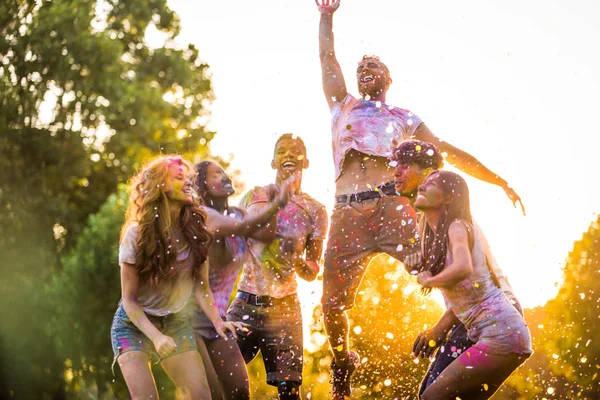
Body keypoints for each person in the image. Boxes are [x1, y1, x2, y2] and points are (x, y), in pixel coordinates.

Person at [315, 1, 525, 397]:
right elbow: (327, 59)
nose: (365, 69)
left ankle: (472, 327)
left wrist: (497, 180)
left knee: (446, 264)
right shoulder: (343, 105)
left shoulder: (404, 116)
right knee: (331, 305)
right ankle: (342, 361)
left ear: (389, 77)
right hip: (348, 212)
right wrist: (326, 15)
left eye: (373, 65)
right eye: (361, 66)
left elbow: (445, 149)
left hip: (395, 206)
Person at [392, 140, 525, 397]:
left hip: (493, 315)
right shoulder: (429, 222)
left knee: (431, 393)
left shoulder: (453, 221)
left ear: (429, 173)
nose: (396, 171)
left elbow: (471, 286)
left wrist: (438, 330)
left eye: (405, 166)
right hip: (476, 317)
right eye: (396, 164)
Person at [110, 155, 244, 399]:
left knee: (202, 396)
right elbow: (129, 300)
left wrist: (218, 322)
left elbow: (201, 287)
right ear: (160, 185)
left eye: (188, 177)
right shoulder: (136, 235)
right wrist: (156, 336)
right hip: (133, 326)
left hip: (175, 323)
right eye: (178, 177)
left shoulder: (197, 231)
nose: (188, 182)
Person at [227, 134, 328, 400]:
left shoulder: (316, 210)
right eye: (282, 151)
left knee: (289, 392)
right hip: (245, 301)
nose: (289, 155)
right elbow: (232, 243)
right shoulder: (252, 196)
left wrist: (294, 256)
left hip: (285, 309)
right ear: (273, 161)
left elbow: (312, 270)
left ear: (305, 162)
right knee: (221, 373)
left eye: (295, 151)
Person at [185, 161, 293, 400]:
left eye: (224, 173)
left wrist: (273, 205)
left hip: (217, 321)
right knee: (210, 395)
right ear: (203, 185)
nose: (225, 178)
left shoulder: (236, 213)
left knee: (239, 392)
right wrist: (278, 203)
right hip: (190, 320)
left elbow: (265, 234)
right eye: (215, 175)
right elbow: (244, 227)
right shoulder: (204, 217)